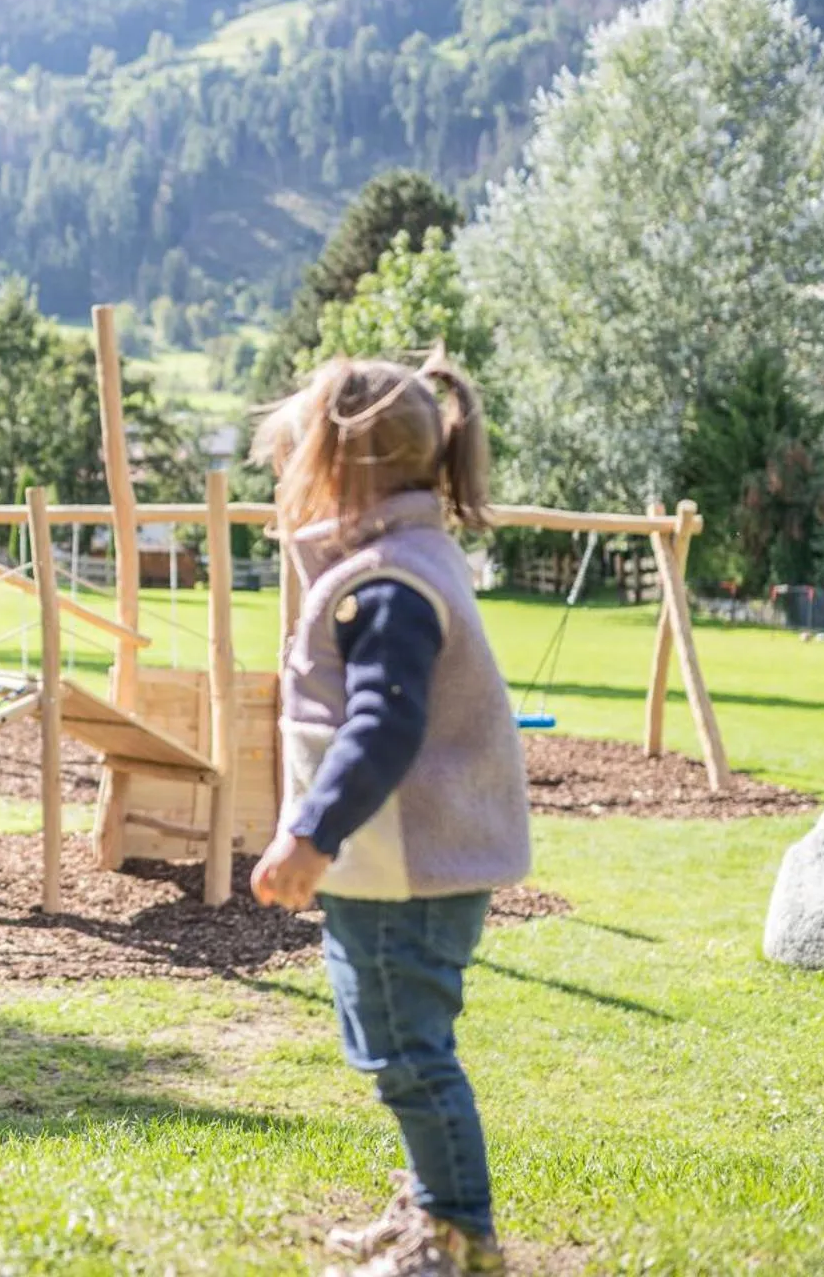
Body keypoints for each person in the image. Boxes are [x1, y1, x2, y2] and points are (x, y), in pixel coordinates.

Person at [248, 353, 530, 1277]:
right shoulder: (398, 560)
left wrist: (308, 835)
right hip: (397, 868)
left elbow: (382, 726)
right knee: (398, 1047)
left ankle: (458, 1235)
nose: (289, 480)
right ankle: (428, 1207)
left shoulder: (389, 584)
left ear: (345, 467)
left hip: (400, 869)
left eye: (300, 460)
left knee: (408, 1053)